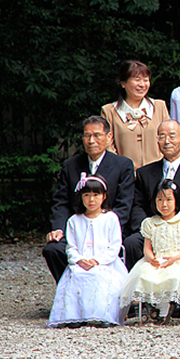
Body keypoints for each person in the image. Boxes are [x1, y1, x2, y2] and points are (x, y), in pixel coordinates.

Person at [44, 116, 137, 282]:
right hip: (78, 228)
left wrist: (102, 227)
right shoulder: (71, 165)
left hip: (108, 229)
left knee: (130, 244)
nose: (91, 140)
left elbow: (125, 204)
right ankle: (72, 288)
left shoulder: (123, 165)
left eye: (97, 135)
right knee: (53, 249)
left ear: (109, 137)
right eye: (87, 135)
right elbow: (61, 201)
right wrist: (59, 228)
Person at [120, 180, 180, 321]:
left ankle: (169, 307)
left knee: (175, 274)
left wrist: (175, 258)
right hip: (158, 258)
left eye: (168, 199)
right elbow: (147, 248)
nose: (164, 204)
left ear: (176, 200)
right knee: (144, 274)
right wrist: (151, 258)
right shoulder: (150, 223)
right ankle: (157, 307)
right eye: (160, 199)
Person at [48, 176, 129, 328]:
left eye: (96, 195)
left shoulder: (110, 218)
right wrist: (79, 260)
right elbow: (71, 247)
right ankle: (76, 316)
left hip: (106, 263)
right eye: (87, 195)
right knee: (77, 276)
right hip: (81, 262)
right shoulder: (74, 220)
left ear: (104, 196)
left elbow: (115, 246)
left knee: (101, 276)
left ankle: (103, 314)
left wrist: (97, 260)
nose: (91, 199)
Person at [129, 120, 180, 254]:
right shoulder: (144, 173)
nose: (167, 141)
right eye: (162, 137)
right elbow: (137, 206)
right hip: (152, 231)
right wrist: (149, 229)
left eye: (172, 136)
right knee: (132, 243)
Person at [102, 59, 171, 170]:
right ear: (123, 83)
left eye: (146, 80)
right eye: (137, 80)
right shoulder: (109, 111)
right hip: (124, 175)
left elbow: (168, 139)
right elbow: (107, 145)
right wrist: (122, 171)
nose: (142, 84)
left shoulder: (159, 106)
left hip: (156, 174)